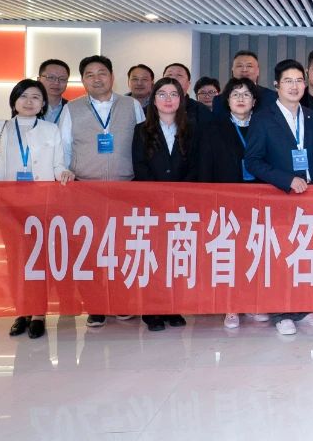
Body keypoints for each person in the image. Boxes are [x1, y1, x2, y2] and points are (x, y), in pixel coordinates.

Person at [0, 79, 73, 340]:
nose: (29, 102)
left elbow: (57, 164)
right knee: (15, 259)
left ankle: (38, 313)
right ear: (14, 101)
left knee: (38, 260)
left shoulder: (50, 129)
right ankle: (21, 311)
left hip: (41, 203)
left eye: (35, 97)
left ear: (43, 104)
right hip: (8, 203)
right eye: (24, 96)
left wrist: (64, 173)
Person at [242, 59, 313, 335]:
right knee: (280, 258)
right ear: (277, 85)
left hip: (311, 198)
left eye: (299, 81)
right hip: (279, 197)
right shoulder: (263, 118)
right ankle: (282, 312)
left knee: (305, 255)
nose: (294, 86)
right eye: (288, 81)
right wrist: (286, 180)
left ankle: (303, 308)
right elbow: (252, 161)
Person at [66, 55, 144, 327]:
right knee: (90, 251)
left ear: (112, 76)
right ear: (83, 80)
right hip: (86, 189)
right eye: (89, 74)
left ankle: (123, 301)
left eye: (102, 73)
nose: (96, 79)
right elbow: (64, 148)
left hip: (125, 189)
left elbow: (143, 143)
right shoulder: (71, 109)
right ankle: (95, 306)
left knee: (122, 249)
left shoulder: (132, 105)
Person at [196, 78, 269, 330]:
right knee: (230, 254)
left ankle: (253, 302)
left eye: (246, 94)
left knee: (254, 252)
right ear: (226, 100)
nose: (241, 99)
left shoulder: (264, 126)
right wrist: (207, 201)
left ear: (254, 101)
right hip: (225, 202)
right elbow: (204, 167)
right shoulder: (213, 128)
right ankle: (231, 305)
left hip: (259, 200)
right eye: (235, 94)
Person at [131, 77, 197, 332]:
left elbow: (196, 165)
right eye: (162, 94)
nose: (168, 99)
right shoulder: (141, 130)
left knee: (177, 255)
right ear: (154, 99)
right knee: (153, 256)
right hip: (152, 204)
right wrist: (159, 194)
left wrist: (181, 193)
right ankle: (152, 309)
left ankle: (173, 306)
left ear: (181, 99)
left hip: (183, 205)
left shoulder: (192, 129)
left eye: (174, 94)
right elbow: (140, 165)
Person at [162, 62, 211, 127]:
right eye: (169, 75)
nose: (173, 78)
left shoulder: (200, 109)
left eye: (179, 75)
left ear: (188, 84)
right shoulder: (152, 107)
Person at [37, 59, 70, 124]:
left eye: (62, 79)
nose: (56, 83)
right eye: (51, 77)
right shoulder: (27, 106)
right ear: (39, 80)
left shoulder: (72, 108)